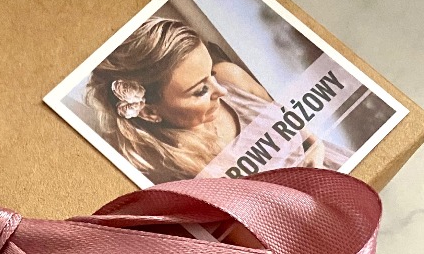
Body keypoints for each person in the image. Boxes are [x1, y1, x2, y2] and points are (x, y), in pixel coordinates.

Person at [84, 17, 344, 183]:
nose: (221, 90)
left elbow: (296, 124)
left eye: (210, 73)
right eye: (200, 91)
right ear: (150, 112)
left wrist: (316, 148)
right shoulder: (169, 168)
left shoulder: (230, 76)